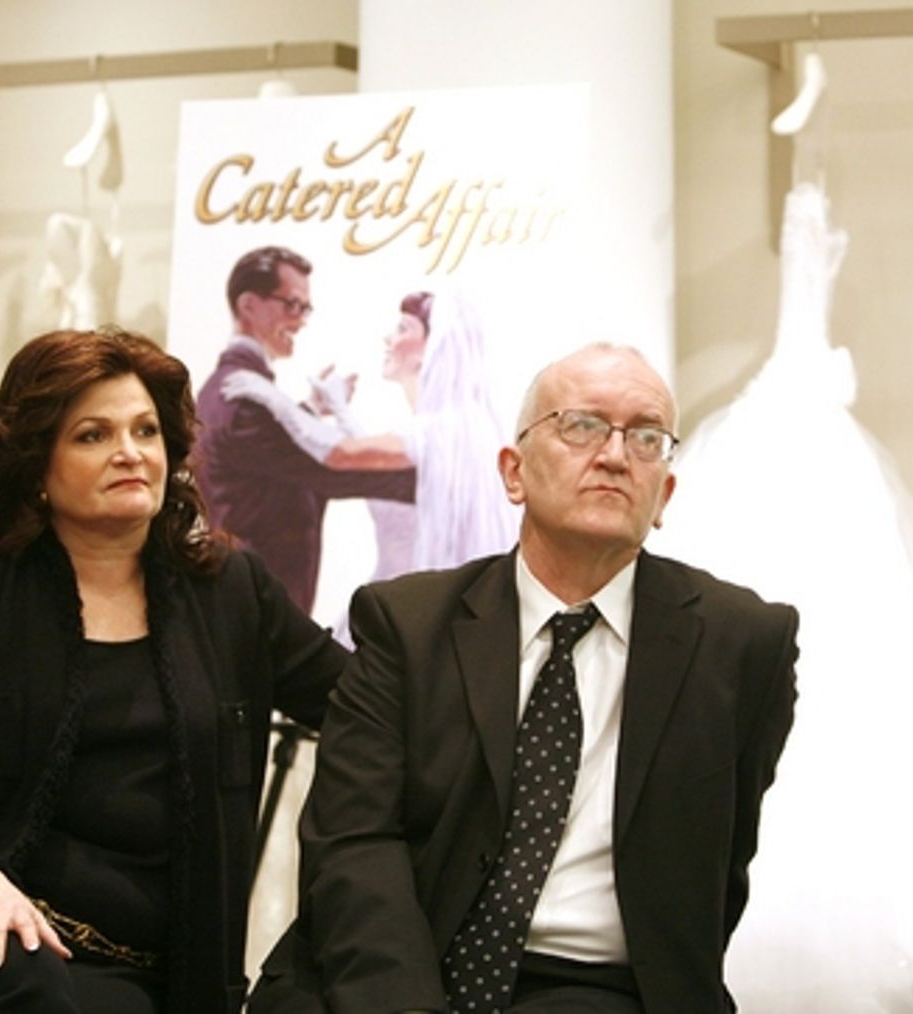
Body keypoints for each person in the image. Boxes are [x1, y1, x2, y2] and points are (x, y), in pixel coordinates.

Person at [249, 342, 800, 1013]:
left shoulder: (742, 645)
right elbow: (354, 842)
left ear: (664, 494)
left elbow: (715, 875)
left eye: (646, 437)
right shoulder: (406, 624)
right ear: (514, 472)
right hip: (392, 963)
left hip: (596, 986)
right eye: (582, 426)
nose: (615, 455)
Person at [0, 328, 348, 1013]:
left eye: (146, 431)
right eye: (93, 435)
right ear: (37, 465)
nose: (130, 452)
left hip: (151, 967)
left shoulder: (232, 592)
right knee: (25, 984)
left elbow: (358, 699)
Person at [221, 289, 517, 576]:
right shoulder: (452, 428)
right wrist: (339, 407)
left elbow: (344, 454)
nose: (388, 337)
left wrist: (274, 399)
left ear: (432, 348)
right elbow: (372, 460)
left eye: (402, 329)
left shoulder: (439, 431)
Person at [194, 246, 416, 612]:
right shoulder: (244, 398)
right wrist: (434, 478)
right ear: (248, 305)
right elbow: (324, 470)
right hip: (257, 605)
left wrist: (310, 410)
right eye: (292, 305)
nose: (300, 320)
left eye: (305, 309)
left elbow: (272, 464)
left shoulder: (228, 390)